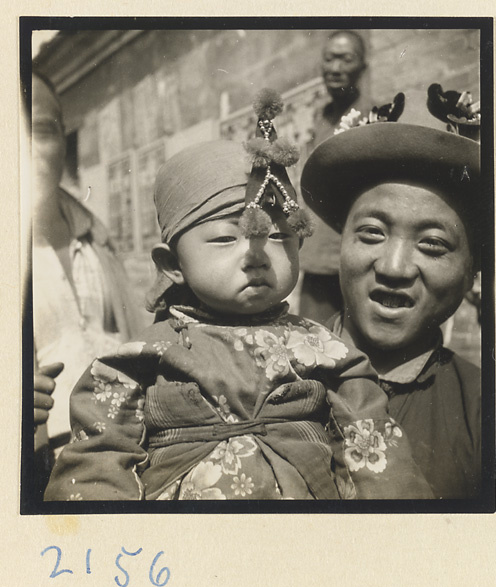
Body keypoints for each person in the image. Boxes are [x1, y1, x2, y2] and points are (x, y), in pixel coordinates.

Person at [45, 91, 432, 501]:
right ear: (171, 264)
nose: (256, 256)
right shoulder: (137, 361)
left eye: (281, 236)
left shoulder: (329, 354)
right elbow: (95, 467)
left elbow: (380, 464)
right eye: (226, 238)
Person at [301, 100, 484, 499]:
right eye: (371, 233)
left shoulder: (487, 410)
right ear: (341, 244)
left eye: (433, 244)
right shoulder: (274, 373)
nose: (394, 267)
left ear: (473, 270)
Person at [31, 71, 143, 494]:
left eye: (42, 131)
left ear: (63, 139)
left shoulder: (95, 233)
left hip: (126, 449)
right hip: (37, 471)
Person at [299, 30, 371, 323]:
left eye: (346, 59)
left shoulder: (373, 117)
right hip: (317, 262)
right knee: (312, 348)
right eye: (329, 59)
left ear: (362, 68)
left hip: (356, 263)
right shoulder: (321, 119)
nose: (335, 68)